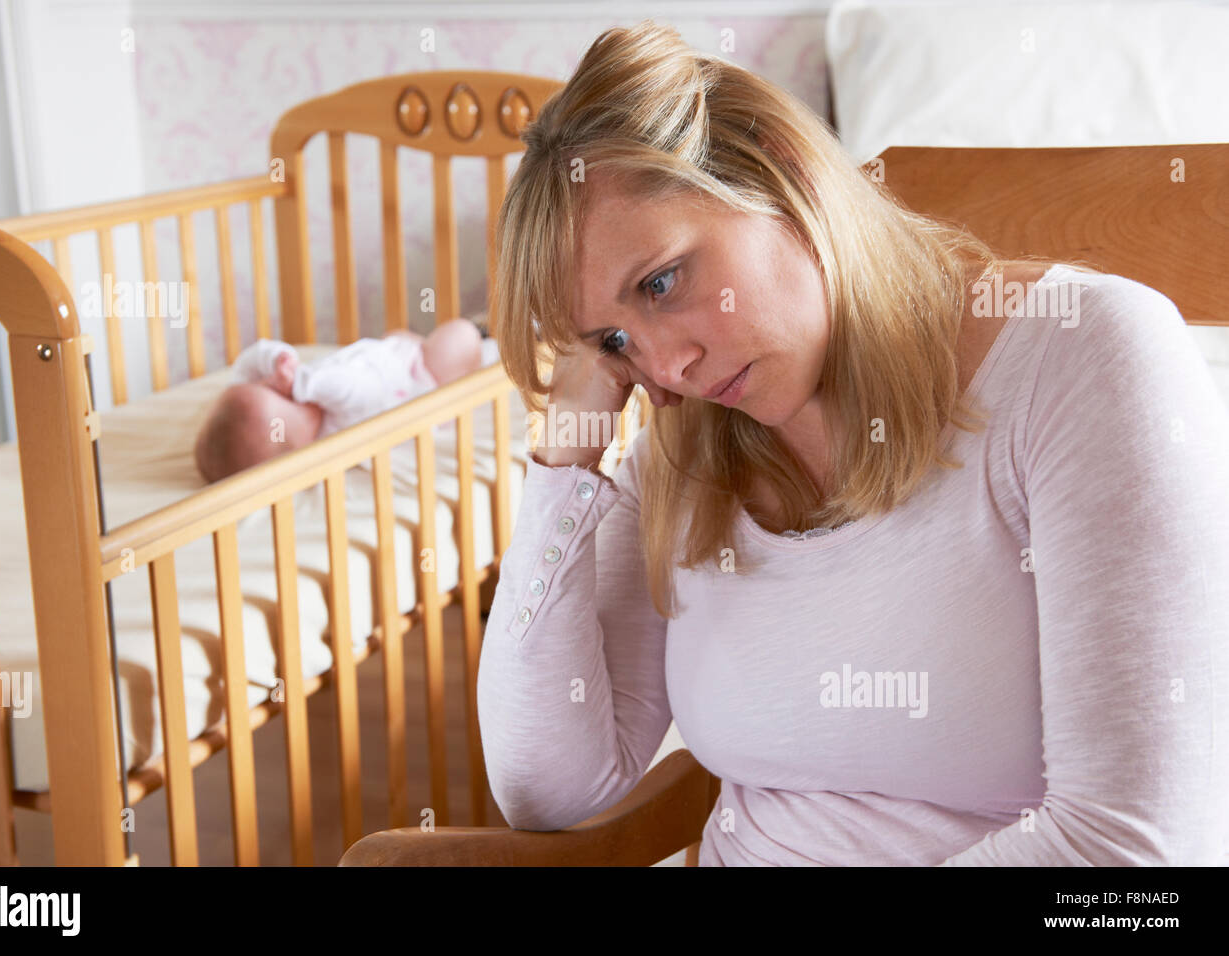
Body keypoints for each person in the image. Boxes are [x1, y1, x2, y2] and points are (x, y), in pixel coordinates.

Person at [476, 21, 1229, 865]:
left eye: (662, 282)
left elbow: (1140, 858)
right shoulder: (689, 452)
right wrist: (564, 456)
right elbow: (548, 784)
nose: (669, 368)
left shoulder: (1087, 360)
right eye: (613, 342)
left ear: (778, 163)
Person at [194, 317, 484, 483]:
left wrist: (276, 359)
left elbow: (247, 364)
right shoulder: (334, 429)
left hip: (387, 355)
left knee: (397, 335)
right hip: (421, 381)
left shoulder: (289, 409)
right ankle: (484, 345)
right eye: (287, 398)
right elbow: (361, 389)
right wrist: (302, 382)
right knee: (461, 335)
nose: (278, 386)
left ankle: (416, 341)